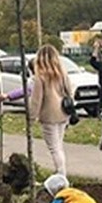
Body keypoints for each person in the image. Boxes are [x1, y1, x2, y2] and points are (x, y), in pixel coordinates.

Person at [29, 44, 72, 176]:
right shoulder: (62, 73)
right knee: (59, 146)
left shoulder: (40, 76)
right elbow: (69, 91)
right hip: (63, 113)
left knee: (54, 148)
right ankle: (61, 172)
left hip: (49, 115)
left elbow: (36, 99)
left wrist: (31, 117)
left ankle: (61, 175)